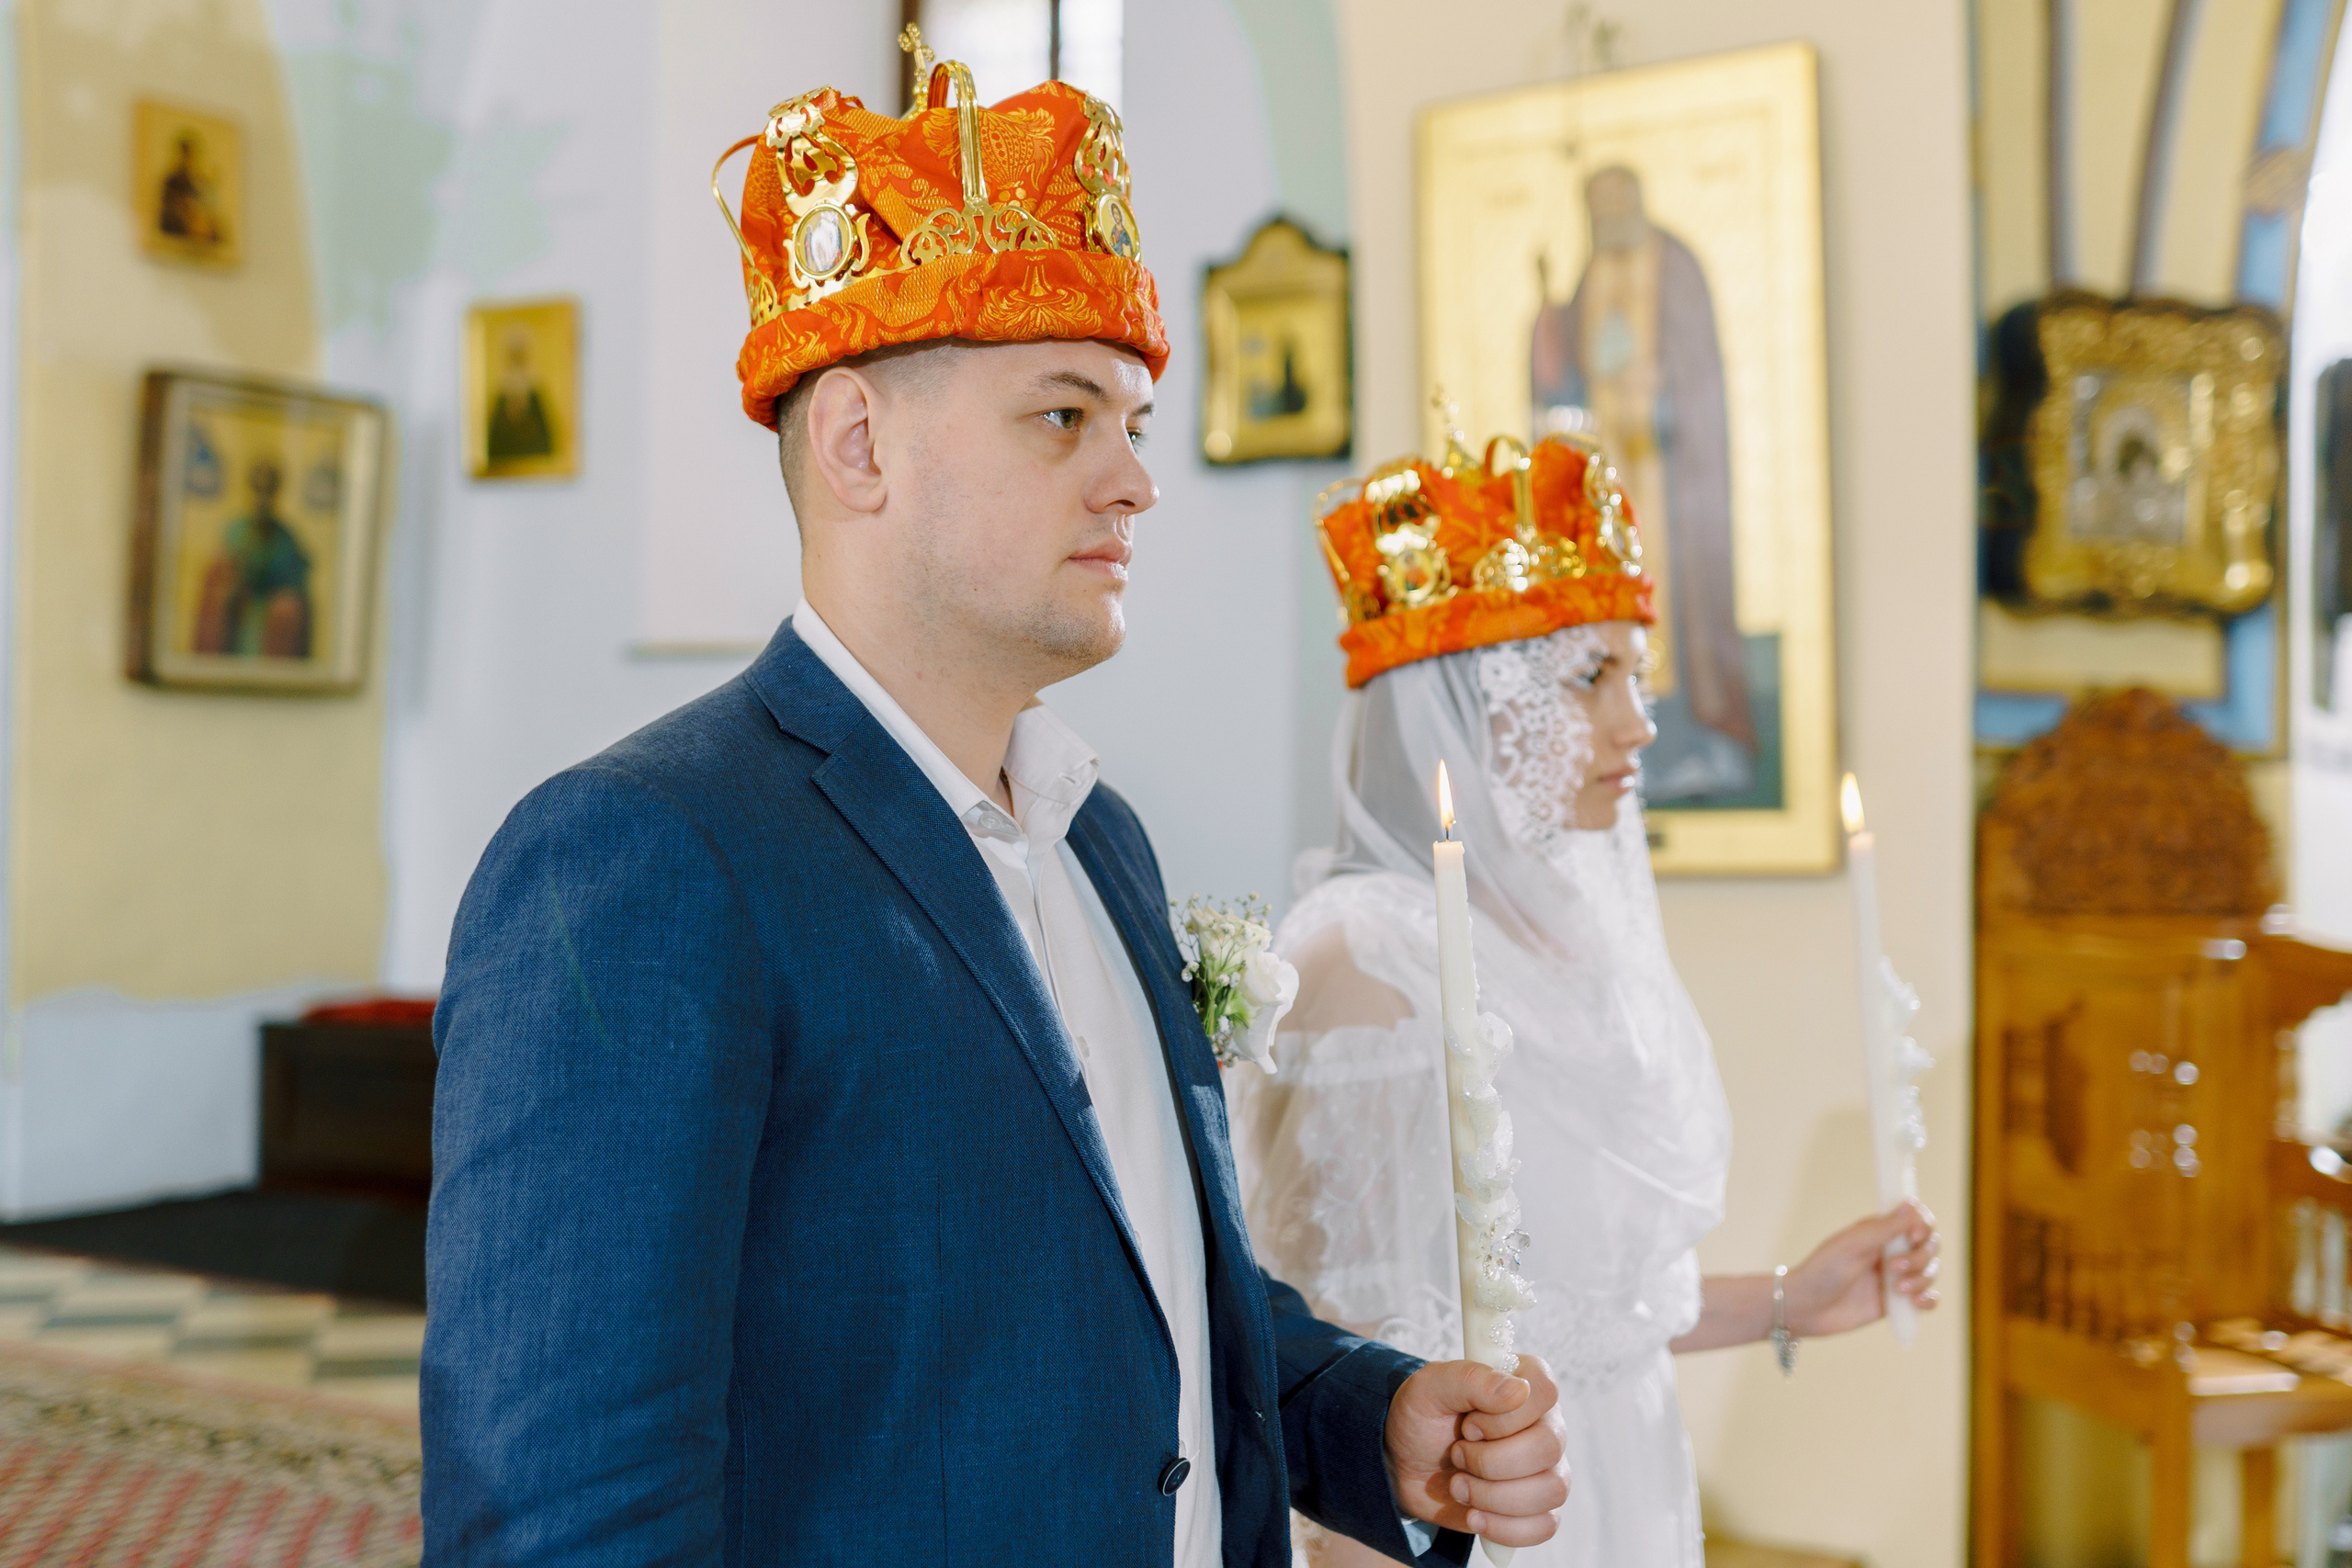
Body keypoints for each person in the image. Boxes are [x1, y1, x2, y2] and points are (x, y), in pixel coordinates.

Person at [424, 52, 1567, 1567]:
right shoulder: (647, 860)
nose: (1134, 481)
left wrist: (1366, 1416)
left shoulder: (1104, 841)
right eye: (1062, 416)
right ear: (858, 444)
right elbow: (570, 1517)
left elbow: (1143, 1281)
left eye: (1136, 423)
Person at [1230, 430, 1939, 1566]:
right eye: (1589, 679)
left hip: (1626, 1484)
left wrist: (1784, 1301)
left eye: (1636, 676)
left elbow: (1579, 1314)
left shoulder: (1563, 940)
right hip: (1490, 1533)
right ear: (1460, 706)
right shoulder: (1367, 963)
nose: (1639, 726)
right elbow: (1343, 1375)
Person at [1529, 165, 1754, 803]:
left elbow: (1697, 366)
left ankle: (1694, 738)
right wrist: (1547, 326)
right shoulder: (1589, 276)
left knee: (1677, 609)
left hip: (1672, 475)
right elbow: (1566, 373)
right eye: (1597, 206)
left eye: (1618, 200)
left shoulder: (1674, 265)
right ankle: (1635, 745)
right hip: (1613, 475)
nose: (1610, 216)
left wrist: (1666, 405)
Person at [192, 456, 311, 659]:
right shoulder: (235, 531)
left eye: (269, 489)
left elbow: (295, 583)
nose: (263, 497)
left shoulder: (286, 539)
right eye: (259, 488)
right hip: (237, 617)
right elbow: (223, 576)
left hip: (272, 625)